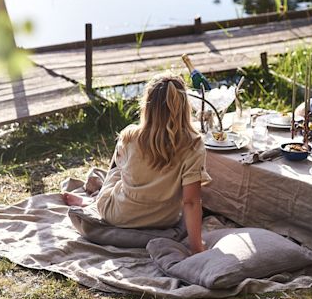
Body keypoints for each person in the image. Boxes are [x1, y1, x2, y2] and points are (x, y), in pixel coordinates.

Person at [63, 74, 211, 254]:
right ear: (184, 107)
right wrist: (197, 248)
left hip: (117, 214)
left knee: (117, 170)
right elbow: (191, 201)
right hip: (164, 220)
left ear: (146, 106)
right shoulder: (194, 144)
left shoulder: (129, 136)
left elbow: (118, 170)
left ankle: (95, 202)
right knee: (185, 190)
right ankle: (93, 201)